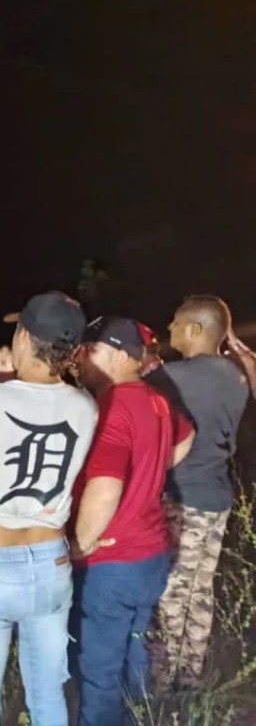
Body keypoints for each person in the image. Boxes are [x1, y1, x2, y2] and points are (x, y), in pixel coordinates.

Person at [0, 291, 98, 726]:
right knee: (47, 696)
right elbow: (37, 402)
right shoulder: (85, 407)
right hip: (50, 564)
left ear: (23, 337)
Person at [70, 317, 195, 726]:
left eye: (92, 350)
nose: (82, 358)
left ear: (121, 355)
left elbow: (105, 489)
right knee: (136, 647)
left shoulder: (113, 406)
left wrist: (79, 544)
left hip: (114, 559)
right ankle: (140, 717)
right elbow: (186, 436)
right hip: (151, 554)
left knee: (101, 668)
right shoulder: (155, 399)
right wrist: (150, 473)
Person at [147, 295, 248, 689]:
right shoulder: (237, 375)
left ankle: (162, 684)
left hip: (182, 497)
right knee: (199, 591)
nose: (169, 328)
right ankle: (190, 678)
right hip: (216, 496)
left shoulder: (171, 378)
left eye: (175, 322)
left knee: (171, 591)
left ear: (194, 329)